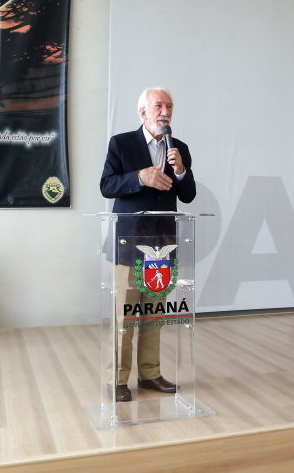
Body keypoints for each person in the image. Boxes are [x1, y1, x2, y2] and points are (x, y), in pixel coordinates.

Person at [100, 87, 196, 401]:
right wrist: (140, 177)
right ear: (144, 112)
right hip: (129, 244)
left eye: (169, 105)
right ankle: (118, 379)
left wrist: (180, 169)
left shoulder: (178, 147)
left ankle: (150, 374)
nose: (164, 111)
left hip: (163, 245)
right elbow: (107, 185)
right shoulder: (122, 143)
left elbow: (188, 195)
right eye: (158, 105)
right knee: (125, 314)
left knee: (154, 314)